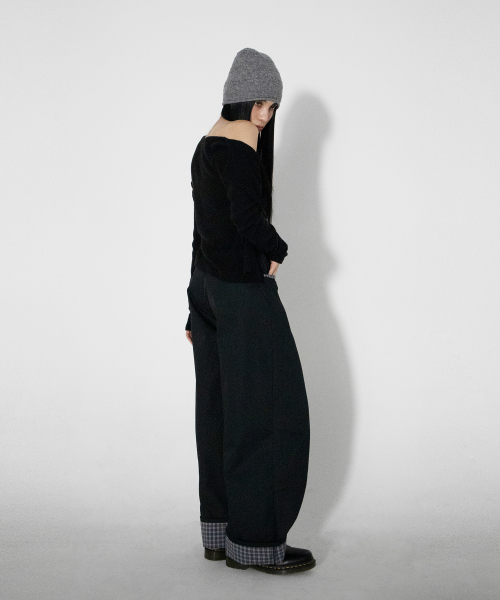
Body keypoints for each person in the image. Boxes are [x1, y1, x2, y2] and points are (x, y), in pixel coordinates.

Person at [185, 48, 315, 575]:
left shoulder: (205, 144)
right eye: (261, 104)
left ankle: (219, 534)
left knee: (217, 411)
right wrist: (278, 249)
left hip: (206, 289)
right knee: (269, 412)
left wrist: (193, 308)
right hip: (240, 291)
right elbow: (245, 218)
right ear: (242, 100)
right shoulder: (241, 143)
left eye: (273, 107)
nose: (265, 116)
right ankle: (257, 544)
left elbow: (202, 229)